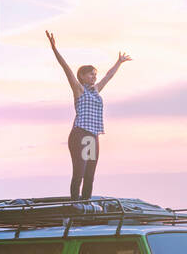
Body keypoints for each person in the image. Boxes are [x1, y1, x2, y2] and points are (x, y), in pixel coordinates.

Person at [46, 30, 131, 199]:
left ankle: (86, 205)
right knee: (80, 171)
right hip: (80, 134)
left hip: (92, 136)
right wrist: (54, 48)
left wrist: (119, 62)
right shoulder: (78, 89)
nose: (94, 76)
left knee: (90, 175)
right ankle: (74, 204)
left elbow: (108, 76)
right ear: (82, 76)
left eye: (95, 74)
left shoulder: (96, 90)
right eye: (91, 74)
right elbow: (66, 68)